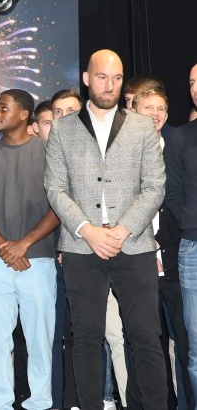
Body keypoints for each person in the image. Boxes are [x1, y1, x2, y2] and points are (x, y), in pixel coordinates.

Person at [45, 49, 167, 410]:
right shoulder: (63, 129)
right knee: (85, 339)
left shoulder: (142, 126)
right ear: (86, 79)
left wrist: (122, 229)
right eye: (102, 77)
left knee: (146, 338)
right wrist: (88, 230)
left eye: (116, 78)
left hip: (134, 245)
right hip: (83, 247)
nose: (110, 85)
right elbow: (55, 188)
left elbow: (155, 186)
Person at [0, 89, 59, 410]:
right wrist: (5, 246)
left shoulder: (49, 154)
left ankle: (40, 402)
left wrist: (24, 244)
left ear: (24, 114)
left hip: (39, 260)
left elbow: (59, 207)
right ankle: (1, 403)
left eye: (3, 108)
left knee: (40, 340)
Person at [133, 87, 194, 410]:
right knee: (147, 346)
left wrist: (160, 243)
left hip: (175, 261)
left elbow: (177, 203)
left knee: (186, 345)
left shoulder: (177, 146)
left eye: (161, 109)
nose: (155, 114)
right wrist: (144, 247)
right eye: (148, 108)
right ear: (133, 112)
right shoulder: (123, 155)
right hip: (137, 263)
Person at [164, 61, 197, 408]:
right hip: (193, 249)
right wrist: (191, 222)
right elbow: (172, 193)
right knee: (196, 349)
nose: (195, 88)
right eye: (191, 82)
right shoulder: (180, 138)